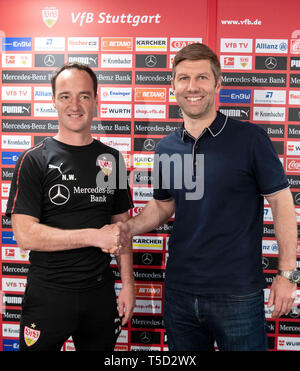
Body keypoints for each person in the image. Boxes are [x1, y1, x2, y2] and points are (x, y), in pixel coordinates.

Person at [125, 43, 299, 351]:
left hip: (237, 295)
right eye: (183, 78)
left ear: (217, 83)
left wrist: (287, 275)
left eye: (202, 78)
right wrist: (127, 229)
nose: (192, 87)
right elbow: (164, 206)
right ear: (173, 86)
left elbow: (282, 204)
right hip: (179, 292)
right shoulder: (167, 147)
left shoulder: (249, 139)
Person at [6, 62, 135, 351]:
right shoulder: (34, 160)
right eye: (65, 96)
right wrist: (92, 236)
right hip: (48, 294)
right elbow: (25, 235)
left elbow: (122, 229)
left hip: (99, 294)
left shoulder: (112, 160)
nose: (74, 105)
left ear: (96, 100)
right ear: (53, 101)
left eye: (84, 96)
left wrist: (128, 283)